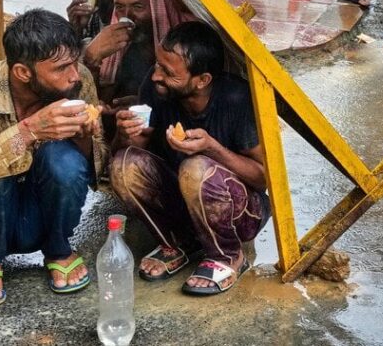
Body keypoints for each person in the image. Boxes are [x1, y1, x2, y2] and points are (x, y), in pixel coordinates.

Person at [0, 8, 108, 306]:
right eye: (61, 68)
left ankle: (58, 248)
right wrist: (28, 132)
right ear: (23, 73)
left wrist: (83, 136)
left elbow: (96, 171)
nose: (74, 74)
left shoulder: (79, 81)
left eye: (75, 62)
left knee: (63, 160)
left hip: (43, 216)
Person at [109, 21, 269, 296]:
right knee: (124, 164)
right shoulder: (156, 87)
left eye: (169, 73)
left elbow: (263, 178)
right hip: (185, 201)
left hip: (241, 212)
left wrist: (212, 149)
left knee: (196, 168)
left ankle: (228, 255)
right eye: (158, 65)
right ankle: (176, 242)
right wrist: (126, 134)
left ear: (202, 80)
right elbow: (138, 148)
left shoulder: (237, 98)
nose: (156, 76)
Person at [84, 0, 195, 107]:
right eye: (120, 7)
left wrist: (146, 104)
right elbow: (102, 98)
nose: (127, 17)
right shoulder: (117, 44)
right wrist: (91, 58)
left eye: (137, 7)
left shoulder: (190, 37)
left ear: (157, 5)